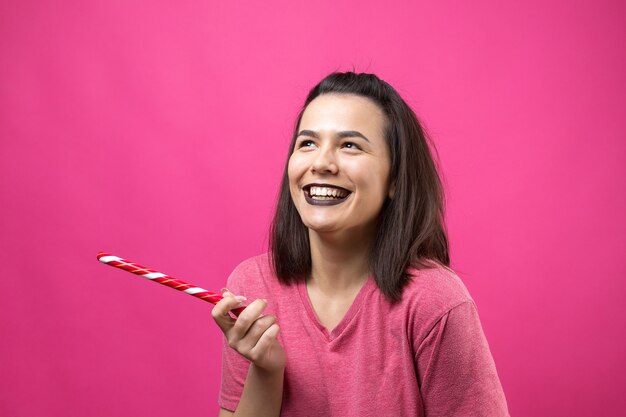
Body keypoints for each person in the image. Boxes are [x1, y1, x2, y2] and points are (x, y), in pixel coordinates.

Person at [212, 72, 509, 417]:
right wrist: (265, 369)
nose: (321, 163)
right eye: (307, 143)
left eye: (349, 145)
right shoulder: (252, 287)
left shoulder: (435, 302)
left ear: (395, 179)